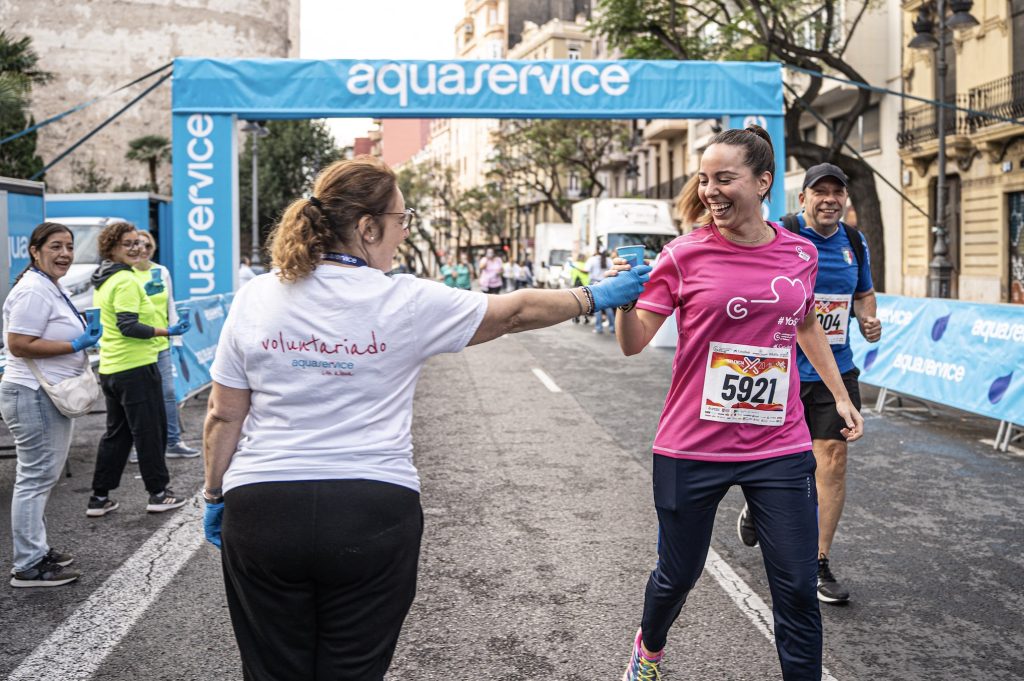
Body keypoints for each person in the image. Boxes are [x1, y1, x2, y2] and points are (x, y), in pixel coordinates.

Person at [199, 156, 649, 681]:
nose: (403, 232)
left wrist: (214, 496)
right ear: (368, 228)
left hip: (263, 507)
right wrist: (597, 296)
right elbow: (515, 311)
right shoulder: (405, 299)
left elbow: (223, 414)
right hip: (371, 509)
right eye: (401, 220)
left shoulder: (256, 296)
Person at [612, 126, 864, 681]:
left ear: (763, 182)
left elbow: (803, 325)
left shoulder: (799, 252)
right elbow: (633, 343)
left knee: (796, 584)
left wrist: (840, 395)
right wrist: (623, 298)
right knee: (678, 574)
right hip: (693, 443)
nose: (710, 191)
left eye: (725, 178)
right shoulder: (682, 255)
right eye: (705, 179)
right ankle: (649, 650)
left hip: (778, 441)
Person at [736, 163, 881, 605]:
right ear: (804, 200)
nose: (830, 199)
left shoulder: (854, 242)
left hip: (834, 370)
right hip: (775, 368)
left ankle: (817, 562)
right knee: (772, 458)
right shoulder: (780, 235)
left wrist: (869, 320)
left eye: (838, 192)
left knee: (832, 459)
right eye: (821, 192)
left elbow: (863, 296)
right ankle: (759, 506)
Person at [1, 222, 102, 587]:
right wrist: (74, 346)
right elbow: (18, 344)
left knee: (42, 476)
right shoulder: (33, 290)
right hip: (33, 394)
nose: (65, 254)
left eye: (69, 247)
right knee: (34, 477)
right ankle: (28, 565)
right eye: (56, 246)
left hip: (43, 394)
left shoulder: (48, 285)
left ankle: (37, 550)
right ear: (35, 250)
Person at [86, 221, 193, 518]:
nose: (138, 248)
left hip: (112, 368)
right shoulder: (126, 281)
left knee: (117, 435)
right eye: (129, 244)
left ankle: (99, 497)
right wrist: (166, 331)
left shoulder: (106, 278)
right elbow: (129, 325)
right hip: (134, 367)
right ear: (111, 248)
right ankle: (159, 493)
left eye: (140, 243)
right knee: (150, 432)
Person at [132, 230, 199, 459]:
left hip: (160, 342)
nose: (142, 249)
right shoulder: (125, 274)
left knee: (169, 393)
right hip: (136, 344)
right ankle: (136, 447)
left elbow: (169, 304)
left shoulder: (161, 271)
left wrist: (176, 338)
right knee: (139, 397)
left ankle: (172, 441)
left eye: (147, 246)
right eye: (137, 245)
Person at [585, 249, 615, 333]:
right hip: (606, 283)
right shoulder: (609, 260)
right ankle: (612, 328)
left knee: (596, 306)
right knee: (608, 306)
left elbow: (586, 270)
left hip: (594, 283)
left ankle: (599, 328)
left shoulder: (592, 259)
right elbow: (613, 271)